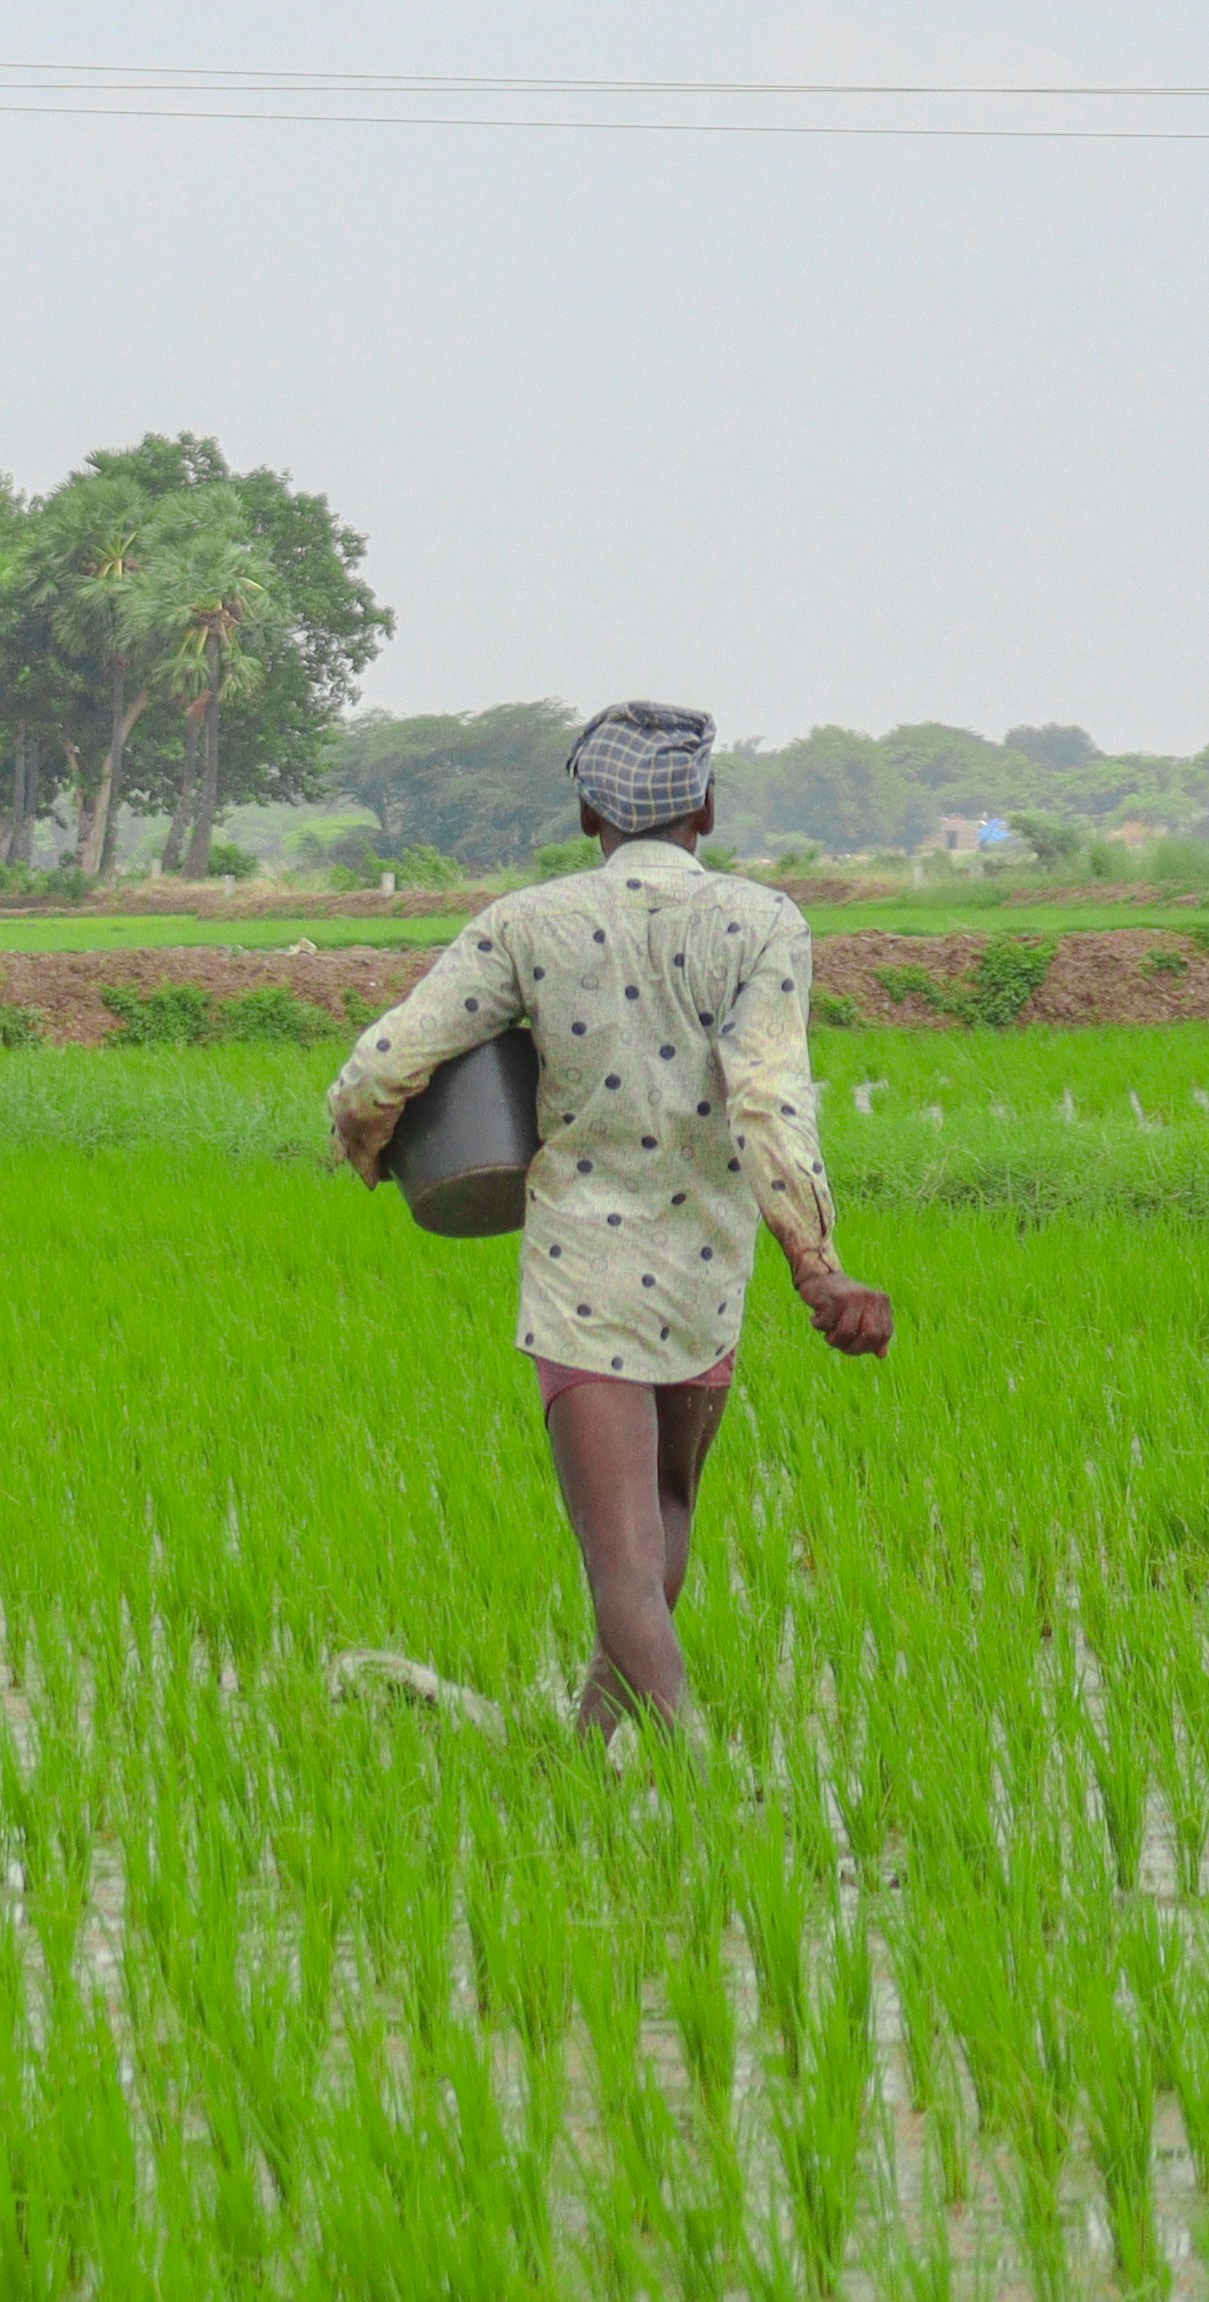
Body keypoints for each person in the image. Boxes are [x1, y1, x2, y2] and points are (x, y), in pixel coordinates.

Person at [324, 698, 893, 1735]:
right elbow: (770, 1098)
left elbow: (385, 1059)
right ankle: (588, 1762)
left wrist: (365, 1138)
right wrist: (816, 1261)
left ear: (591, 813)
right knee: (661, 1523)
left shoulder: (526, 923)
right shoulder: (765, 924)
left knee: (622, 1568)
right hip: (704, 1267)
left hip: (581, 1265)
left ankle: (689, 1785)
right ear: (706, 809)